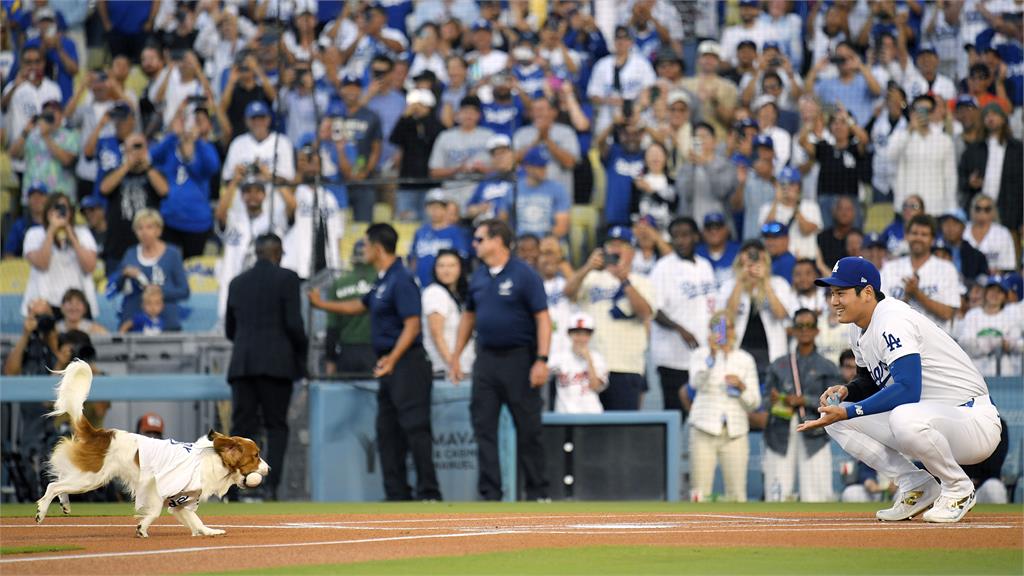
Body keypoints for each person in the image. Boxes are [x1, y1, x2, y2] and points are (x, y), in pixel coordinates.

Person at [799, 257, 1002, 523]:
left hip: (972, 419)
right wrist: (848, 392)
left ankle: (958, 488)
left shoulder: (891, 318)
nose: (833, 301)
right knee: (833, 419)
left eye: (841, 293)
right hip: (932, 420)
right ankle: (917, 485)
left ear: (867, 292)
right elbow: (870, 380)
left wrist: (852, 412)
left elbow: (907, 389)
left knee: (901, 416)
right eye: (832, 293)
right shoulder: (857, 326)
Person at [309, 224, 441, 502]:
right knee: (387, 431)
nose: (364, 250)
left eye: (367, 245)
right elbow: (359, 306)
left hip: (407, 364)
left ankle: (429, 493)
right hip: (389, 365)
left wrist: (392, 358)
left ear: (378, 249)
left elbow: (413, 325)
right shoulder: (383, 280)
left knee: (415, 428)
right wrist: (322, 305)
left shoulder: (402, 279)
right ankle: (396, 494)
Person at [449, 219, 550, 501]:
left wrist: (541, 359)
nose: (475, 244)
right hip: (486, 359)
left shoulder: (524, 274)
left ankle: (538, 492)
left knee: (528, 428)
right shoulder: (478, 277)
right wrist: (456, 355)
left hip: (519, 358)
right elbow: (469, 316)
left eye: (480, 239)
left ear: (497, 241)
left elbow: (542, 318)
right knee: (484, 428)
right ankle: (491, 494)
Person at [225, 234, 308, 501]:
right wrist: (301, 354)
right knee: (276, 426)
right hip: (277, 364)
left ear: (256, 252)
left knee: (242, 429)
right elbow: (294, 324)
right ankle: (272, 489)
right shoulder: (287, 278)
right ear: (278, 253)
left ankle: (236, 488)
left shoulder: (237, 283)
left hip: (244, 364)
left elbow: (230, 330)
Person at [564, 226, 654, 410]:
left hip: (626, 366)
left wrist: (625, 282)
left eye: (621, 245)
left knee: (622, 431)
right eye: (611, 245)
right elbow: (568, 292)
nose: (615, 250)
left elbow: (645, 313)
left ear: (632, 252)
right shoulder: (592, 278)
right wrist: (587, 267)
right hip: (591, 365)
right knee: (587, 429)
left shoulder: (642, 281)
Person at [763, 308, 839, 503]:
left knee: (817, 495)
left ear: (816, 330)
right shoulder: (778, 365)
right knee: (777, 494)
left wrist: (804, 400)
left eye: (809, 326)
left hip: (815, 432)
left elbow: (836, 403)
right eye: (800, 326)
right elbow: (764, 401)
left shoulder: (827, 366)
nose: (804, 330)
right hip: (781, 431)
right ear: (793, 330)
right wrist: (774, 401)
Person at [687, 311, 761, 502]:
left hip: (735, 432)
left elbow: (754, 401)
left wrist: (741, 386)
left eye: (727, 327)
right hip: (704, 429)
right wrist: (712, 356)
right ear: (710, 331)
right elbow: (696, 384)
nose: (723, 332)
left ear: (733, 330)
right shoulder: (700, 355)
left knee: (737, 493)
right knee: (699, 492)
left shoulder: (745, 359)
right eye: (718, 328)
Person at [651, 217, 717, 420]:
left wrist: (720, 341)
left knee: (703, 415)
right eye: (675, 236)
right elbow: (654, 309)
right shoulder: (663, 267)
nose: (680, 241)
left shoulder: (705, 266)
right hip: (672, 358)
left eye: (685, 235)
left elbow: (715, 310)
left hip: (703, 355)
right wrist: (680, 328)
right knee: (675, 416)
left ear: (696, 237)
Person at [718, 240, 797, 379]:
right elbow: (727, 317)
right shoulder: (729, 285)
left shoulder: (778, 283)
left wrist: (765, 281)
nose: (752, 258)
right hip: (740, 350)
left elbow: (780, 314)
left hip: (770, 352)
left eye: (756, 254)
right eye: (748, 254)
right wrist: (740, 282)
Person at [99, 132, 169, 274]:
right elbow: (104, 189)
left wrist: (147, 167)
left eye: (140, 147)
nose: (137, 152)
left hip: (148, 248)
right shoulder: (115, 171)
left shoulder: (154, 172)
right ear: (125, 150)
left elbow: (164, 191)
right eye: (133, 147)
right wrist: (127, 165)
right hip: (117, 248)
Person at [21, 193, 99, 318]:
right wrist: (51, 230)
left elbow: (89, 266)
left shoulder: (83, 233)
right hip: (45, 303)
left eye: (63, 208)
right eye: (55, 208)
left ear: (71, 212)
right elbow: (42, 264)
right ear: (47, 212)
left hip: (76, 305)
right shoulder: (34, 234)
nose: (59, 212)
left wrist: (71, 236)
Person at [880, 215, 961, 334]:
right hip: (901, 340)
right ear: (906, 236)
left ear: (932, 239)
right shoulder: (890, 268)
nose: (918, 238)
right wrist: (906, 297)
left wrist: (917, 294)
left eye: (924, 234)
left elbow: (947, 313)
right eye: (914, 233)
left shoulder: (946, 269)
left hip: (935, 342)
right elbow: (882, 312)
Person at [111, 209, 189, 332]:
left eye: (149, 227)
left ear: (159, 230)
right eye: (140, 228)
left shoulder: (172, 254)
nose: (144, 232)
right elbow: (116, 288)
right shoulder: (130, 254)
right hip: (134, 323)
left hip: (167, 323)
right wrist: (123, 275)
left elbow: (184, 291)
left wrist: (158, 291)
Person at [886, 94, 957, 217]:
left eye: (928, 110)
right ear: (912, 112)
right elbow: (890, 156)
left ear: (933, 113)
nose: (923, 114)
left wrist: (950, 209)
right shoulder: (900, 135)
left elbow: (950, 177)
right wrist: (909, 130)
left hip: (935, 209)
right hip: (906, 208)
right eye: (920, 110)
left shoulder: (944, 140)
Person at [958, 103, 1023, 235]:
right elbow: (961, 178)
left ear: (1004, 119)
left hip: (1010, 215)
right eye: (987, 115)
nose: (990, 118)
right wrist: (970, 182)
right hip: (979, 213)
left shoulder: (1018, 149)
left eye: (995, 114)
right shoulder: (973, 150)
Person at [322, 240, 377, 376]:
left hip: (346, 352)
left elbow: (332, 327)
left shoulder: (339, 284)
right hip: (376, 351)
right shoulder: (383, 281)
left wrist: (330, 359)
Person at [8, 98, 79, 200]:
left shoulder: (70, 135)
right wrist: (25, 132)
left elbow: (67, 160)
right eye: (47, 112)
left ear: (61, 115)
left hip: (59, 196)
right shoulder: (32, 134)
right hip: (33, 196)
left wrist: (46, 136)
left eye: (54, 112)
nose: (50, 115)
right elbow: (13, 154)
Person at [422, 250, 475, 379]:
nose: (446, 270)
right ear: (435, 269)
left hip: (462, 368)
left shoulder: (458, 295)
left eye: (452, 265)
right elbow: (437, 335)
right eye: (441, 266)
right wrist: (453, 364)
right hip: (447, 371)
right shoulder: (435, 292)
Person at [957, 277, 1022, 378]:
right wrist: (996, 342)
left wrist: (1009, 344)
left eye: (999, 292)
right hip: (976, 377)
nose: (994, 294)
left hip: (1006, 378)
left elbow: (1017, 344)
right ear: (985, 292)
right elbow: (967, 344)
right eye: (992, 290)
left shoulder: (1011, 315)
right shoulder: (973, 315)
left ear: (1004, 296)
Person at [409, 190, 471, 288]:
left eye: (438, 207)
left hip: (446, 286)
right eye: (431, 207)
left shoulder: (455, 232)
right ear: (426, 209)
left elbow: (462, 258)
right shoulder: (420, 232)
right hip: (421, 284)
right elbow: (413, 258)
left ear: (446, 209)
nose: (435, 211)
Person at [549, 312, 608, 415]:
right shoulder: (559, 357)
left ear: (590, 336)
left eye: (585, 334)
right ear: (569, 334)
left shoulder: (597, 358)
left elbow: (596, 387)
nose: (581, 338)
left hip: (592, 416)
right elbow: (541, 377)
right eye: (577, 333)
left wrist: (589, 360)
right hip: (564, 416)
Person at [759, 166, 822, 260]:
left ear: (799, 186)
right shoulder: (767, 207)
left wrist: (795, 204)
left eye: (792, 184)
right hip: (780, 260)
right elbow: (766, 231)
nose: (787, 187)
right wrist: (776, 201)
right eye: (783, 184)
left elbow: (806, 230)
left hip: (805, 260)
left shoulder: (810, 206)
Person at [514, 148, 571, 240]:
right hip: (521, 244)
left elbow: (562, 227)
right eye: (539, 166)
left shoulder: (558, 189)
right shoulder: (514, 189)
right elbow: (505, 219)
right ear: (528, 167)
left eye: (544, 165)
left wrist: (545, 243)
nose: (544, 169)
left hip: (547, 244)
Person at [963, 195, 1017, 275]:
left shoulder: (1003, 233)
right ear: (972, 210)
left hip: (993, 281)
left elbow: (1008, 266)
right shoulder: (963, 230)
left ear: (993, 212)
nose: (982, 212)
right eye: (978, 209)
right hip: (966, 278)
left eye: (987, 209)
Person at [938, 209, 990, 284]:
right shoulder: (933, 252)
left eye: (954, 224)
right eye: (946, 223)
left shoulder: (977, 256)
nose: (950, 228)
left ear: (963, 227)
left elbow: (982, 283)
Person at [3, 183, 48, 259]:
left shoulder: (54, 224)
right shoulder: (19, 225)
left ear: (47, 199)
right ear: (28, 200)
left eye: (40, 196)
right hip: (25, 268)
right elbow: (8, 254)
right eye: (33, 196)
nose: (37, 200)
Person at [697, 212, 741, 287]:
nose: (713, 231)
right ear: (703, 232)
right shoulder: (695, 253)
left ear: (726, 230)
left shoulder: (739, 251)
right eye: (709, 228)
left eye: (718, 227)